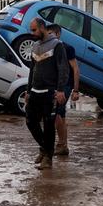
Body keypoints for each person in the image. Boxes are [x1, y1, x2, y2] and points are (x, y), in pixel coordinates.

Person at [25, 18, 69, 170]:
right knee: (30, 121)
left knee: (49, 125)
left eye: (34, 30)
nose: (32, 33)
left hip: (50, 92)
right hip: (35, 91)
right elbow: (32, 70)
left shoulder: (57, 45)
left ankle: (48, 159)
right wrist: (28, 90)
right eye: (31, 30)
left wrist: (61, 90)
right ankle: (45, 148)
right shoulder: (35, 46)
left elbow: (63, 68)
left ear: (42, 27)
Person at [46, 24, 80, 156]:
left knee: (57, 114)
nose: (49, 37)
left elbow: (76, 69)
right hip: (54, 85)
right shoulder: (48, 47)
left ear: (58, 34)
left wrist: (76, 90)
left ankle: (60, 145)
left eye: (51, 34)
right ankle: (63, 146)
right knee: (61, 116)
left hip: (65, 85)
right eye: (47, 34)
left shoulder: (67, 48)